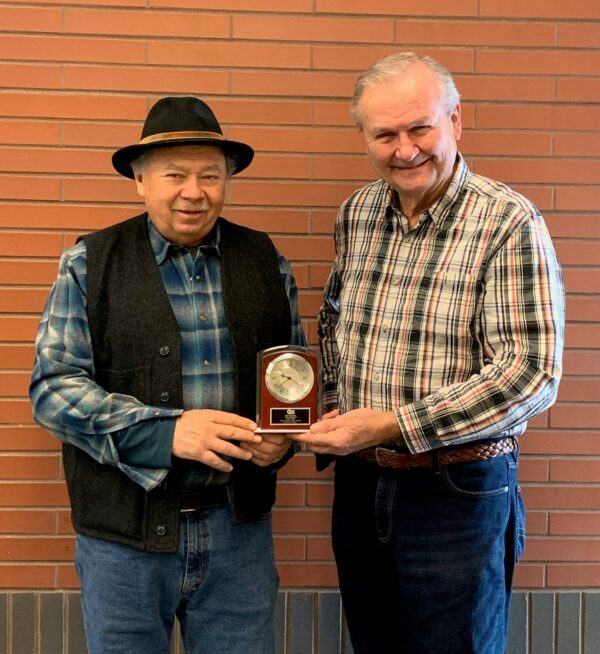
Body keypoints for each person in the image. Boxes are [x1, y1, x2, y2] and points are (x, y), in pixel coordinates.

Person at [291, 53, 565, 654]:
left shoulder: (508, 221)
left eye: (420, 128)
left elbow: (530, 374)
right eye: (384, 134)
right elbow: (336, 326)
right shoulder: (357, 214)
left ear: (456, 121)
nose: (404, 149)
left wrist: (394, 424)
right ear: (365, 138)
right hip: (362, 487)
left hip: (458, 491)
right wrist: (329, 411)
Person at [30, 96, 305, 654]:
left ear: (227, 180)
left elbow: (293, 376)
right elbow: (53, 389)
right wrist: (165, 432)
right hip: (123, 543)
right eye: (174, 175)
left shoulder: (265, 260)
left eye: (210, 175)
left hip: (239, 533)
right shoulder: (90, 262)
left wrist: (286, 439)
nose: (193, 191)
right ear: (140, 180)